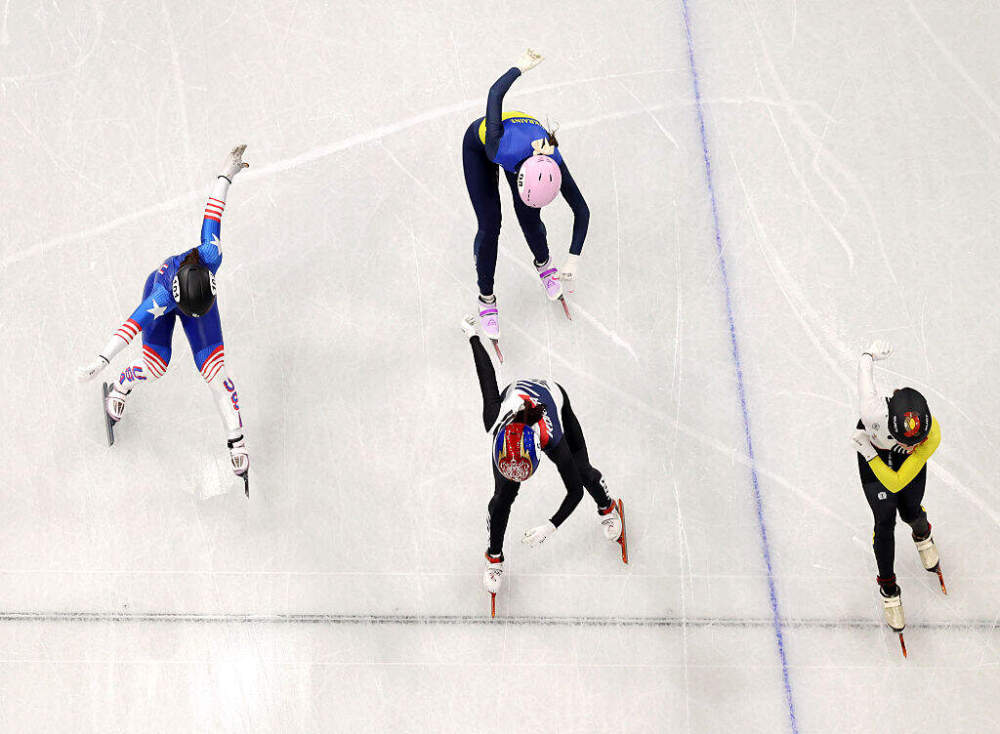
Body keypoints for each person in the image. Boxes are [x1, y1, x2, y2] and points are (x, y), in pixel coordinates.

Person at [76, 146, 251, 480]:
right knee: (155, 366)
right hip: (164, 306)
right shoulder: (159, 296)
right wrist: (102, 360)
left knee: (217, 373)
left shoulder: (211, 255)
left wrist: (226, 174)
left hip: (197, 302)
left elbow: (214, 212)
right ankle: (121, 387)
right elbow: (129, 327)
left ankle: (236, 441)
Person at [460, 315, 626, 610]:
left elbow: (573, 490)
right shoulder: (494, 418)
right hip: (515, 415)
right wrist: (472, 335)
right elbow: (486, 375)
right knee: (501, 498)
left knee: (584, 473)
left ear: (538, 450)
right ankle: (494, 557)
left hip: (554, 398)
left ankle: (607, 507)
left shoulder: (551, 437)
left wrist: (551, 526)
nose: (515, 473)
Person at [462, 49, 590, 352]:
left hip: (525, 148)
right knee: (490, 225)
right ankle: (486, 299)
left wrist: (573, 257)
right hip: (478, 146)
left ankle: (544, 264)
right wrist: (520, 67)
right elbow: (495, 94)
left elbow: (582, 211)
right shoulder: (497, 147)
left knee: (530, 217)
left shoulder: (553, 159)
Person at [850, 341, 944, 639]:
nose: (918, 445)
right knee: (884, 521)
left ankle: (922, 532)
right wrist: (870, 354)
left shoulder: (929, 437)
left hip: (875, 456)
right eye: (911, 441)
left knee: (910, 511)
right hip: (874, 449)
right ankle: (889, 589)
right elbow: (864, 372)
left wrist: (870, 455)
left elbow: (895, 482)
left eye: (921, 439)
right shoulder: (872, 411)